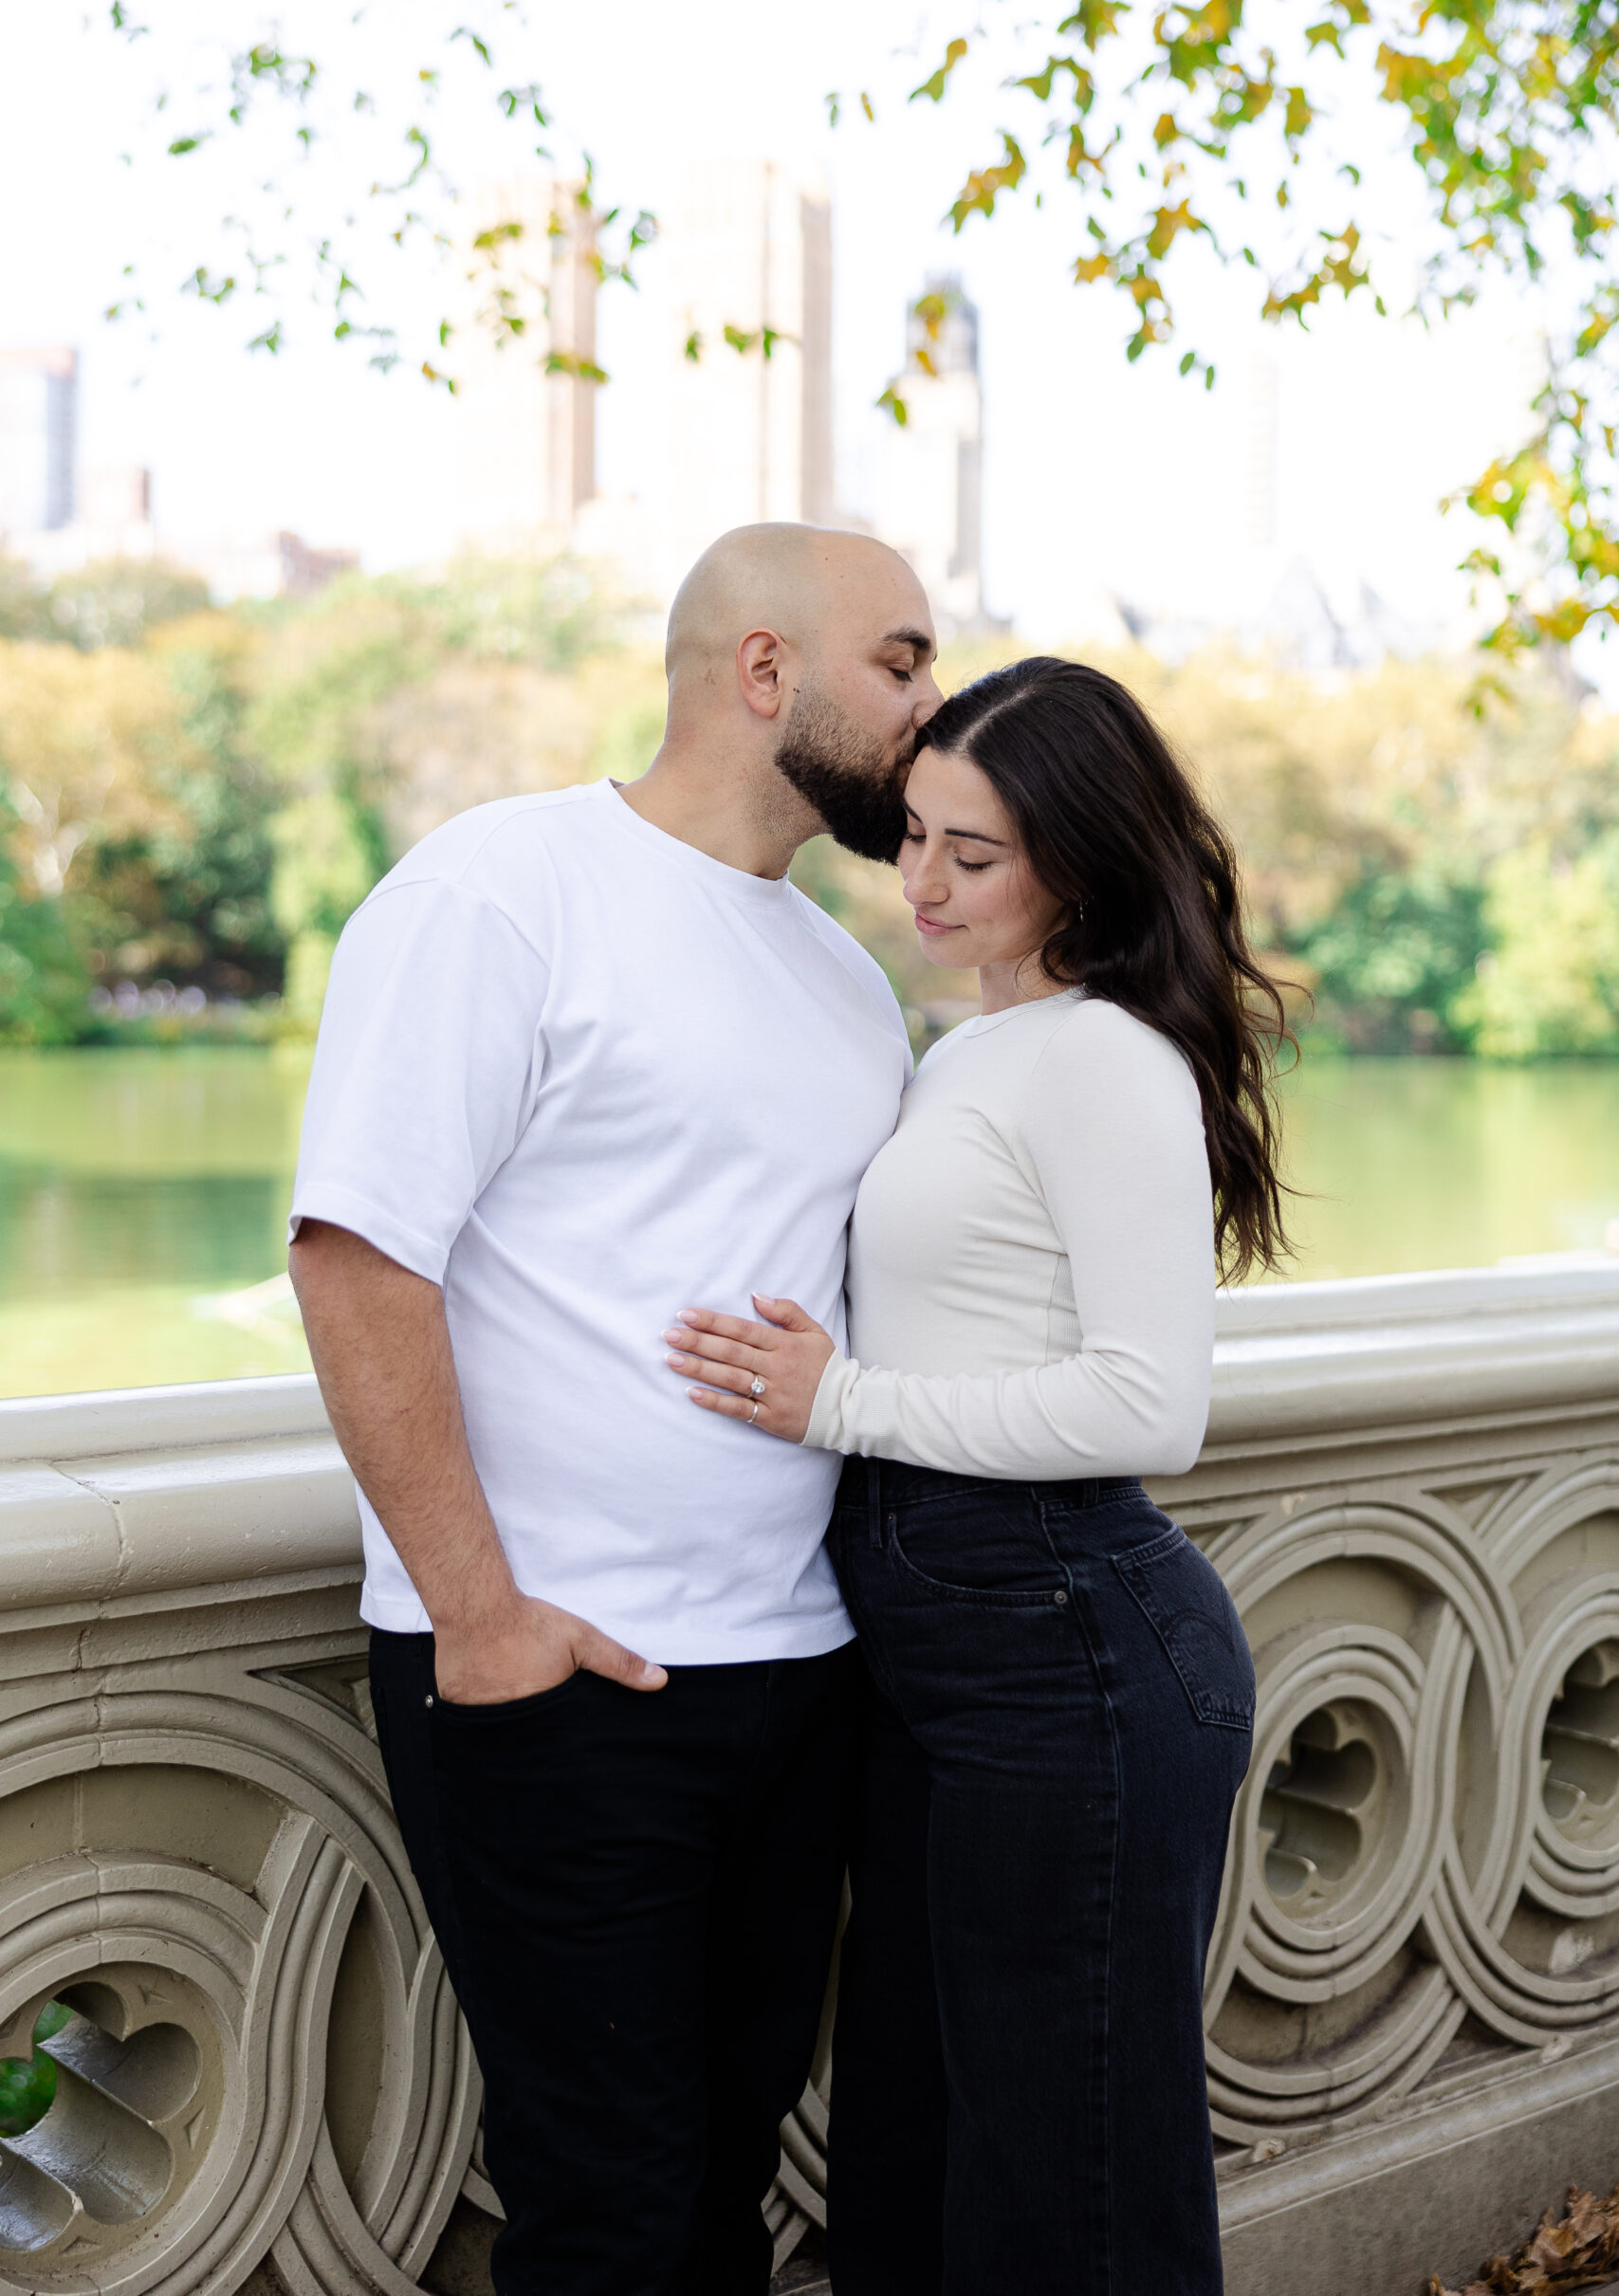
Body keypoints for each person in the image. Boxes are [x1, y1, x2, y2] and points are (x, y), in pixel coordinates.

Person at [286, 523, 941, 2296]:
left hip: (797, 1679)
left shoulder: (845, 982)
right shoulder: (500, 890)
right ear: (763, 672)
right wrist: (481, 1618)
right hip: (557, 1681)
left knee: (726, 2181)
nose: (933, 704)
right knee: (609, 2208)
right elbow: (359, 1258)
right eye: (900, 659)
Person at [666, 656, 1288, 2295]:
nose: (922, 884)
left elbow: (1150, 1407)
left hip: (1065, 1645)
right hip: (948, 1652)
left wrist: (839, 1399)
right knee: (912, 2147)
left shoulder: (1103, 1061)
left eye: (977, 854)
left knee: (1067, 2184)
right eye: (918, 837)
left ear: (1078, 860)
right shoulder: (975, 1045)